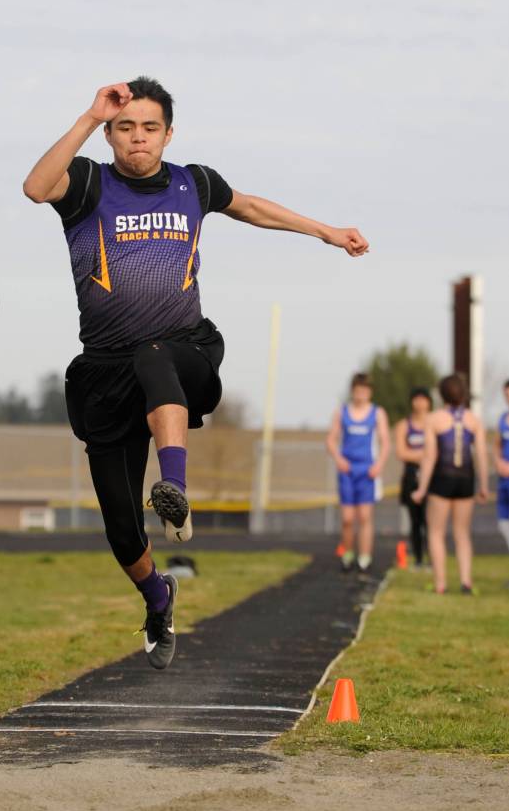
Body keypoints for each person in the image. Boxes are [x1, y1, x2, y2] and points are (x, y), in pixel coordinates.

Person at [23, 77, 369, 669]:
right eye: (126, 128)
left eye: (149, 128)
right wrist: (87, 114)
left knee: (155, 353)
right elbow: (34, 188)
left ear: (168, 134)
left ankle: (175, 488)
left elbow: (253, 206)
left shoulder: (193, 182)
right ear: (110, 135)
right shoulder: (86, 183)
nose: (138, 138)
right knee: (122, 531)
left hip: (183, 354)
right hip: (105, 371)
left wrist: (326, 231)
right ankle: (158, 597)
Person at [411, 373, 488, 594]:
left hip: (441, 481)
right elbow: (481, 455)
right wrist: (483, 485)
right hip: (466, 480)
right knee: (462, 533)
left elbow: (429, 457)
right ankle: (465, 582)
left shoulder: (434, 419)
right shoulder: (473, 420)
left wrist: (421, 489)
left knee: (436, 532)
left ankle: (441, 583)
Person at [326, 373, 390, 574]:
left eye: (364, 391)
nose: (361, 394)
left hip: (367, 470)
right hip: (347, 469)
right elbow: (331, 440)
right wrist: (339, 459)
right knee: (347, 518)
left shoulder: (377, 413)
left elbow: (386, 442)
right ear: (352, 391)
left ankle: (364, 557)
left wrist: (379, 465)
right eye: (357, 391)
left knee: (364, 517)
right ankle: (347, 554)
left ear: (370, 392)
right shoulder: (342, 412)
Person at [394, 386, 432, 568]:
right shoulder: (404, 425)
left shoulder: (434, 423)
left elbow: (437, 452)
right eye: (416, 399)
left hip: (431, 478)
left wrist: (423, 455)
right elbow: (401, 452)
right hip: (411, 477)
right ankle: (418, 558)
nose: (420, 403)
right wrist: (424, 455)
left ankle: (433, 558)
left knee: (430, 521)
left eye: (423, 399)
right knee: (415, 521)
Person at [495, 379, 509, 555]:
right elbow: (497, 445)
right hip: (503, 481)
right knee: (503, 523)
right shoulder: (502, 419)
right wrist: (498, 461)